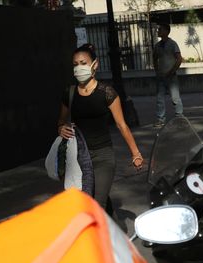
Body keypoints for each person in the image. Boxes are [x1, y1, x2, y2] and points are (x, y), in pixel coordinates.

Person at [57, 43, 144, 210]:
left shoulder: (107, 92)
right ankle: (112, 229)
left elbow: (121, 125)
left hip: (103, 156)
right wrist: (61, 128)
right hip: (78, 156)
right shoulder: (69, 93)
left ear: (94, 65)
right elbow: (60, 121)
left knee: (97, 204)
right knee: (86, 200)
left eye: (83, 63)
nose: (79, 68)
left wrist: (136, 154)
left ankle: (100, 233)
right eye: (75, 64)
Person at [153, 23, 184, 128]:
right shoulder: (157, 46)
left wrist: (172, 71)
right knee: (159, 99)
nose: (158, 31)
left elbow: (179, 59)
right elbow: (154, 58)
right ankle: (160, 119)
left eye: (160, 29)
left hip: (171, 76)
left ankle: (179, 117)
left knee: (175, 98)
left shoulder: (172, 44)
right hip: (161, 76)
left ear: (166, 31)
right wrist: (157, 70)